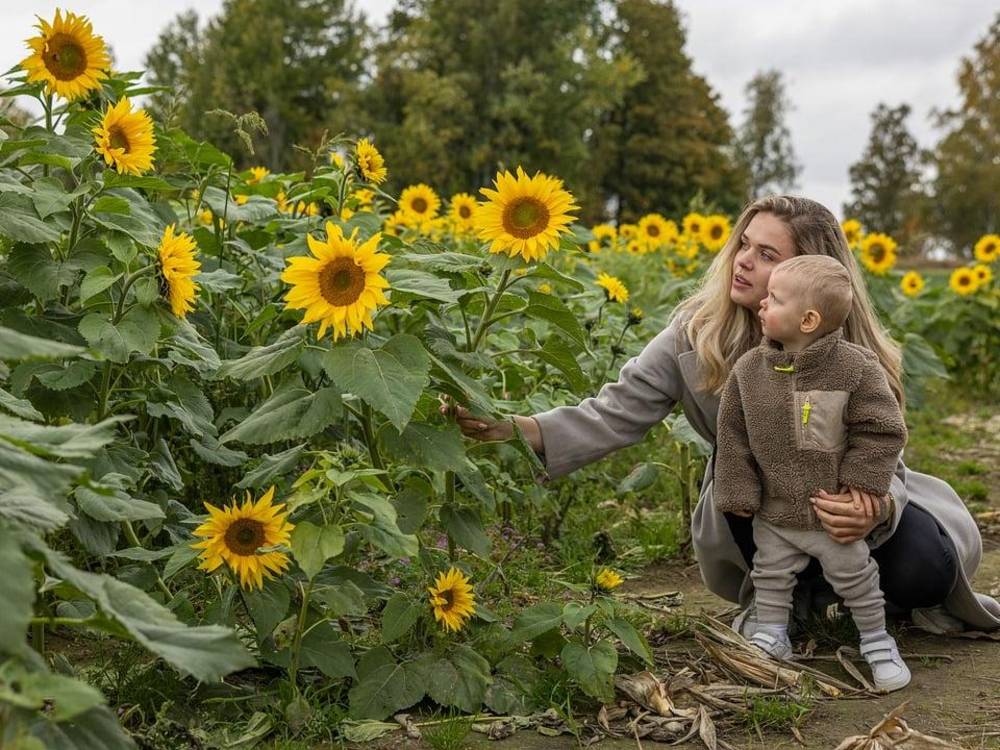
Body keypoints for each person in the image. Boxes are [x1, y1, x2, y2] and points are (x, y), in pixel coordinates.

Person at [442, 195, 1000, 636]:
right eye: (744, 245)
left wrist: (872, 505)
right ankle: (786, 602)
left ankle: (864, 596)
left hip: (842, 510)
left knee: (927, 567)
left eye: (768, 255)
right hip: (756, 510)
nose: (744, 261)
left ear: (809, 278)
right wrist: (517, 429)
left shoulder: (852, 355)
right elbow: (614, 412)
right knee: (746, 486)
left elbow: (882, 448)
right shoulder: (696, 335)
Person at [713, 254, 909, 691]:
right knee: (769, 573)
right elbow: (733, 436)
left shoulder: (855, 367)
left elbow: (881, 428)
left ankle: (876, 640)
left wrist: (862, 484)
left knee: (856, 576)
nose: (762, 303)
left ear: (808, 320)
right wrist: (738, 490)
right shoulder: (748, 372)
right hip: (776, 509)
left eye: (774, 298)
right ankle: (772, 633)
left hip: (832, 511)